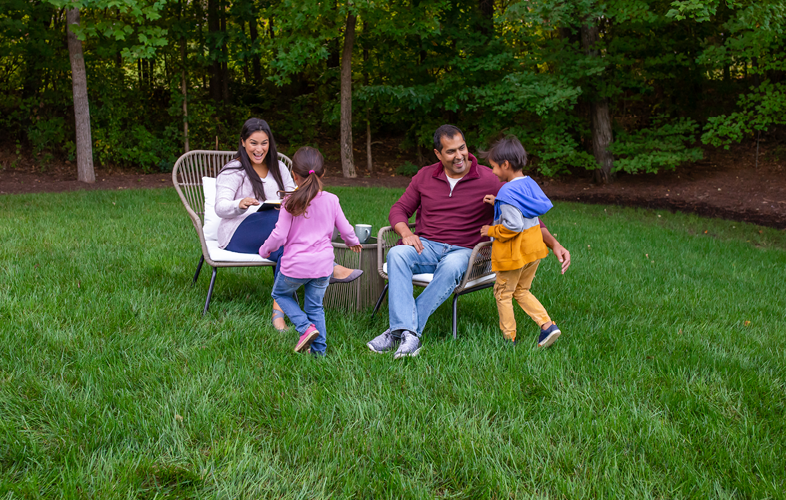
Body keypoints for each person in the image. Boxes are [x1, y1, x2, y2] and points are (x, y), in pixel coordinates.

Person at [366, 124, 571, 359]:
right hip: (428, 246)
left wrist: (554, 244)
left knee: (451, 265)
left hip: (466, 252)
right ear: (438, 154)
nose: (459, 155)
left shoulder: (490, 177)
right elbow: (399, 209)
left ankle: (400, 332)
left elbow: (525, 217)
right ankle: (407, 334)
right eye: (451, 151)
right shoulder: (424, 175)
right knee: (396, 254)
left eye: (462, 148)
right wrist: (405, 233)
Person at [215, 118, 360, 331]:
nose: (259, 149)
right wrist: (240, 203)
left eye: (264, 143)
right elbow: (220, 207)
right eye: (253, 143)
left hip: (273, 228)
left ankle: (278, 316)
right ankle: (328, 267)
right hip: (237, 231)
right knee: (281, 226)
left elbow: (296, 196)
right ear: (243, 142)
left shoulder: (279, 167)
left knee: (286, 243)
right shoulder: (235, 170)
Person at [259, 147, 361, 356]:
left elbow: (279, 236)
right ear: (323, 174)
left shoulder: (290, 201)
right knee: (315, 308)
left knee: (280, 293)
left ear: (294, 175)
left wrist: (265, 249)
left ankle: (305, 328)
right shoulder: (332, 199)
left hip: (294, 267)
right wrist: (353, 241)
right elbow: (346, 228)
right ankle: (319, 353)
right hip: (323, 267)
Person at [479, 136, 563, 347]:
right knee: (522, 291)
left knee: (503, 293)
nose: (493, 171)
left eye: (494, 167)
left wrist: (490, 229)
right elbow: (523, 211)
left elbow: (514, 225)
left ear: (505, 165)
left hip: (514, 255)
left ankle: (509, 339)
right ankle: (547, 326)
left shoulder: (506, 192)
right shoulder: (529, 183)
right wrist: (497, 202)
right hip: (533, 250)